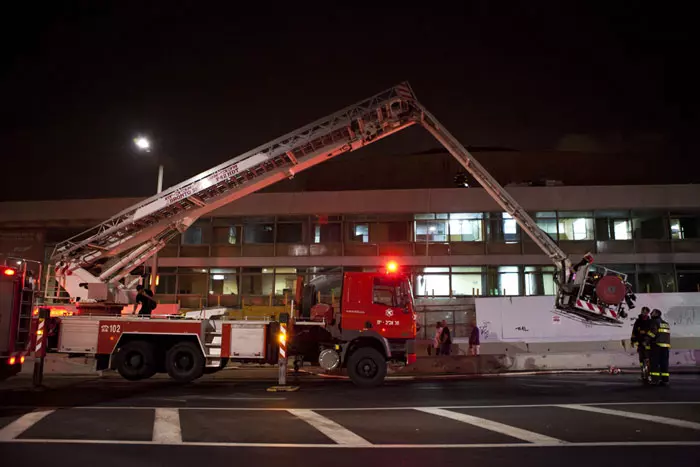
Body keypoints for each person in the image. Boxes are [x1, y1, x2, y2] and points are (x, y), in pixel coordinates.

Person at [646, 309, 671, 386]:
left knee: (654, 363)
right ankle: (665, 380)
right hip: (665, 346)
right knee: (664, 363)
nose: (650, 313)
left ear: (656, 314)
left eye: (652, 312)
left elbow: (652, 333)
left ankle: (655, 380)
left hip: (656, 346)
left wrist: (646, 340)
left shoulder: (655, 322)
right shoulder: (666, 324)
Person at [630, 306, 651, 383]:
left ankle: (649, 375)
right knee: (641, 360)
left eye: (645, 312)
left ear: (648, 313)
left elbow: (652, 332)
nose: (644, 313)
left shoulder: (650, 322)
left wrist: (646, 338)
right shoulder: (638, 321)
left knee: (648, 360)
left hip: (648, 344)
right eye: (643, 311)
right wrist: (632, 340)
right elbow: (634, 332)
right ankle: (643, 375)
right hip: (640, 344)